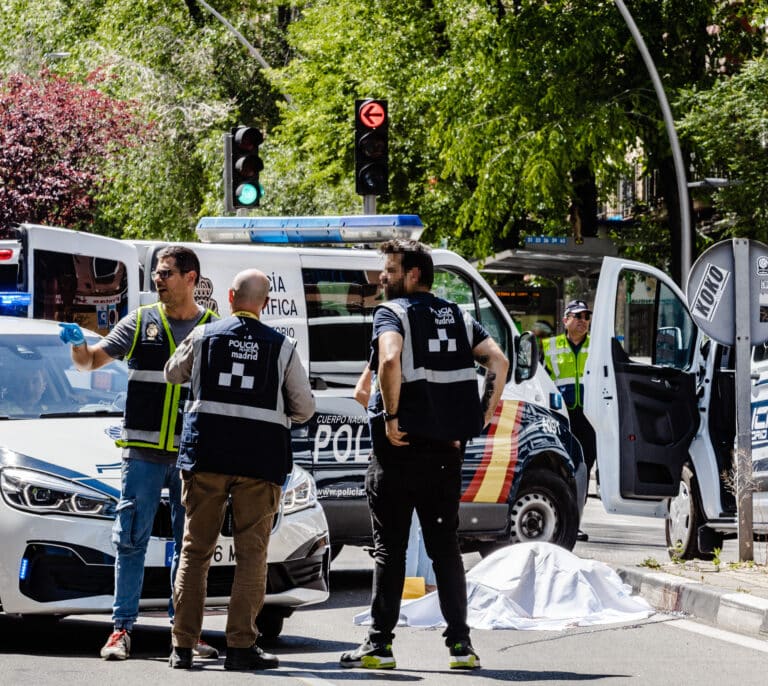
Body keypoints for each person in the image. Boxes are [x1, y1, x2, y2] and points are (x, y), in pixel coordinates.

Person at [340, 239, 509, 671]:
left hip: (397, 454)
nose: (383, 277)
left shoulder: (391, 314)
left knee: (389, 550)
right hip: (444, 455)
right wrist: (477, 420)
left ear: (414, 274)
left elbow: (390, 359)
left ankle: (379, 645)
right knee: (445, 549)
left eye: (391, 270)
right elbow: (499, 362)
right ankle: (461, 646)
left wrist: (393, 416)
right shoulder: (458, 316)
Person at [58, 246, 218, 661]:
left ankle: (186, 632)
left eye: (165, 273)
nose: (157, 281)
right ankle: (121, 630)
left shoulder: (214, 329)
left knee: (190, 547)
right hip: (143, 454)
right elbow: (90, 362)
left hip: (191, 456)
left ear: (191, 278)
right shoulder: (142, 321)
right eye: (156, 274)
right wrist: (77, 347)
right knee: (130, 540)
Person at [165, 268, 315, 671]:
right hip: (259, 463)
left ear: (230, 297)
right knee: (253, 556)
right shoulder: (282, 346)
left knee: (195, 552)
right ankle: (241, 647)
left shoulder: (204, 335)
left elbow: (172, 373)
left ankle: (182, 647)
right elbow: (304, 408)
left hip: (206, 458)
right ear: (264, 303)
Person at [355, 368, 436, 594]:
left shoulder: (387, 360)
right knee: (421, 527)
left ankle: (409, 592)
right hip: (425, 453)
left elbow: (361, 392)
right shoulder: (417, 359)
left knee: (406, 529)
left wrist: (387, 413)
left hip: (394, 455)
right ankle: (424, 590)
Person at [542, 299, 595, 543]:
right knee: (563, 469)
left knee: (584, 470)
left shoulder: (597, 346)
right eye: (578, 316)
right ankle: (562, 518)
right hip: (560, 416)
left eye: (586, 316)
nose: (583, 320)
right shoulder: (549, 346)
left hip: (589, 417)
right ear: (566, 320)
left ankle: (576, 522)